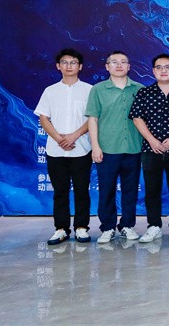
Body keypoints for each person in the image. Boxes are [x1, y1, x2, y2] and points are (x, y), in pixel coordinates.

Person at [129, 53, 169, 244]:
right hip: (151, 150)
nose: (163, 70)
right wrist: (152, 140)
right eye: (159, 67)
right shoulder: (144, 93)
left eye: (167, 67)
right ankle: (153, 225)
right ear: (153, 70)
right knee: (152, 188)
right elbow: (137, 118)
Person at [35, 48, 93, 245]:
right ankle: (61, 229)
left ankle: (82, 228)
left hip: (81, 148)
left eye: (73, 62)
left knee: (82, 190)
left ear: (80, 66)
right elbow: (44, 117)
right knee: (60, 191)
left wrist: (74, 135)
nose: (69, 66)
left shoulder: (89, 90)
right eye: (65, 62)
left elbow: (93, 118)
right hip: (55, 150)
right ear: (58, 66)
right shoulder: (50, 91)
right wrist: (59, 139)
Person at [85, 50, 144, 244]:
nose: (119, 65)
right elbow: (93, 119)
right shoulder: (98, 90)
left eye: (123, 62)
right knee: (107, 190)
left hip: (134, 148)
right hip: (107, 149)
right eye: (114, 62)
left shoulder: (139, 89)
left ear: (129, 66)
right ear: (107, 66)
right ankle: (107, 227)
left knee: (130, 190)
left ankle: (127, 225)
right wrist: (95, 146)